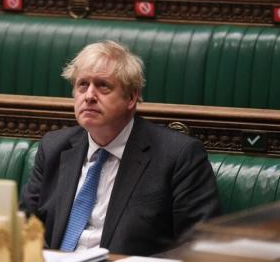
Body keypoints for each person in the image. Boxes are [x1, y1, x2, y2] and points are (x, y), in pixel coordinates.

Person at [19, 40, 221, 256]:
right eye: (82, 85)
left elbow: (200, 244)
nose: (89, 96)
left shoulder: (178, 156)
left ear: (131, 97)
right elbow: (23, 223)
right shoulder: (54, 147)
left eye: (102, 85)